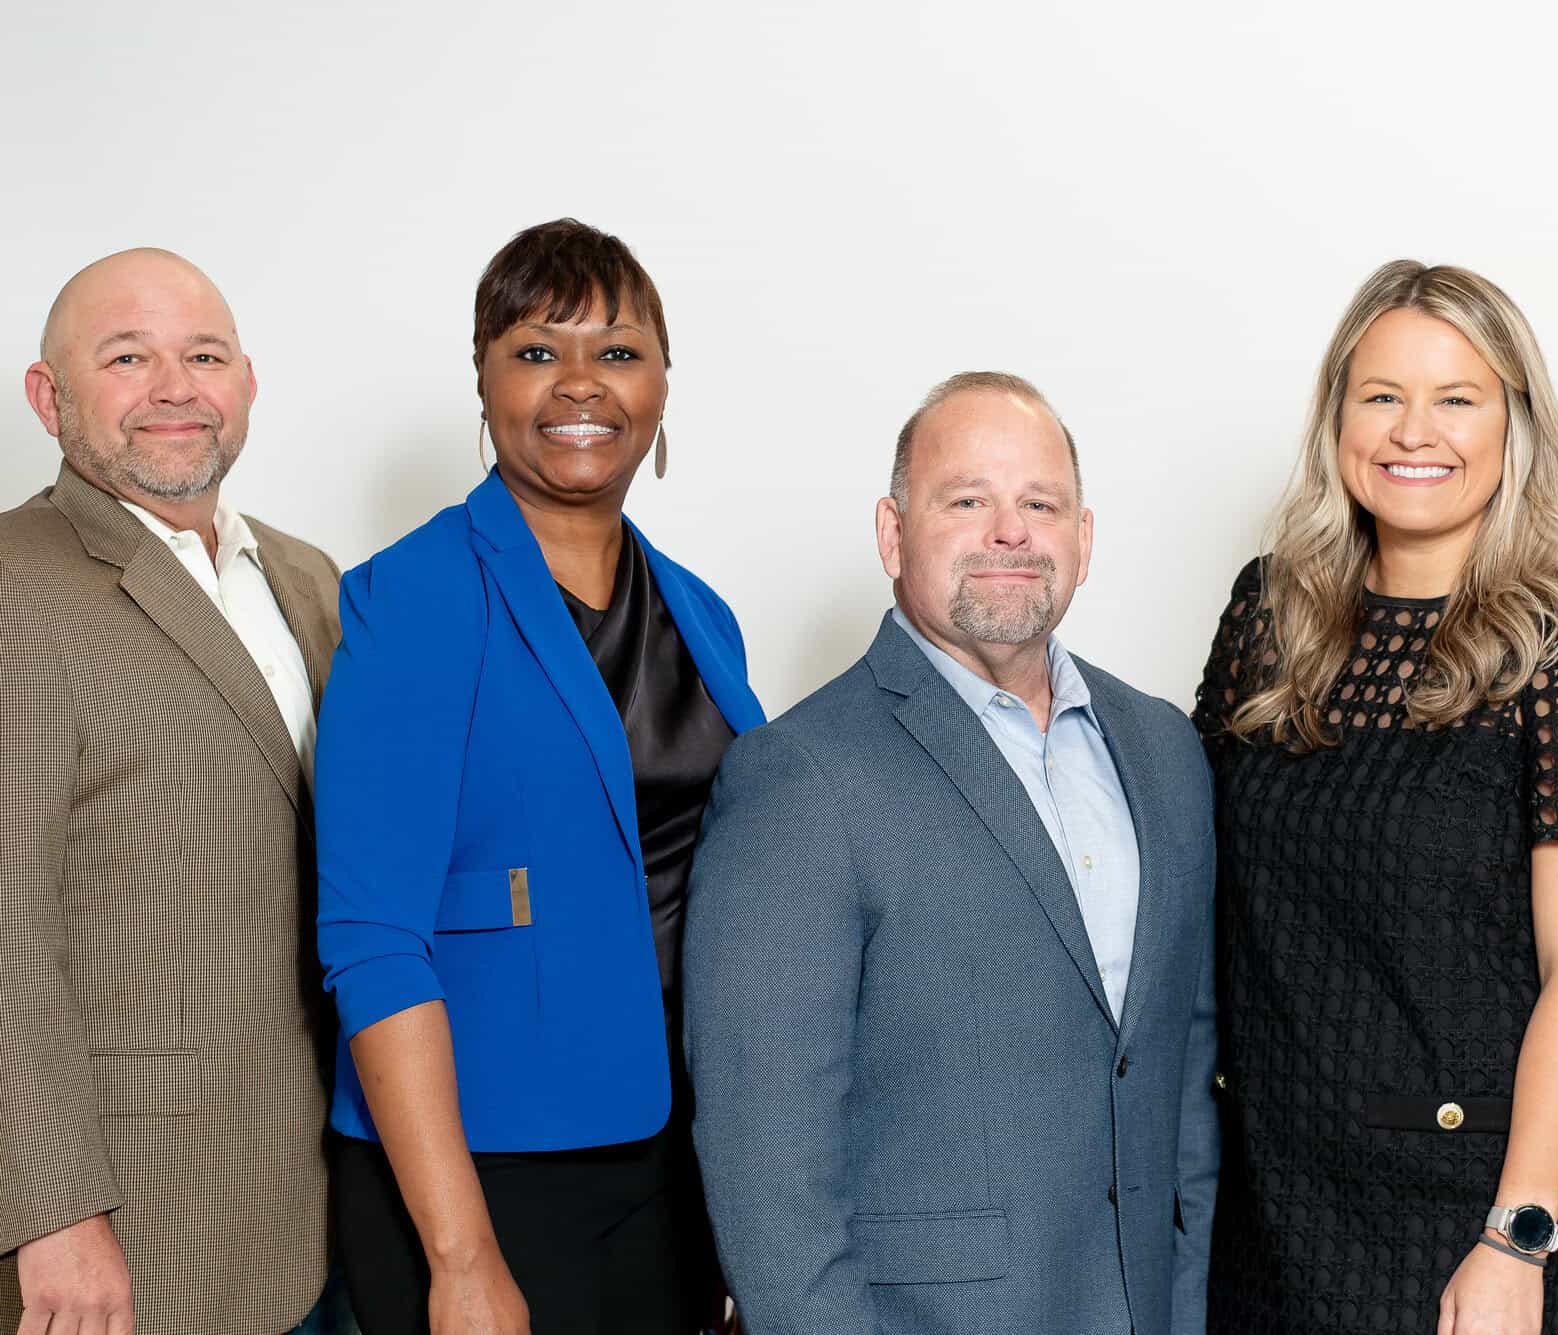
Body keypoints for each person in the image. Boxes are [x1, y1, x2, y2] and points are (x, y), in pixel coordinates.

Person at [683, 371, 1219, 1335]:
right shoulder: (799, 778)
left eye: (1039, 503)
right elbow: (769, 1170)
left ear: (1083, 540)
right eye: (967, 499)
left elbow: (1182, 1084)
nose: (1009, 532)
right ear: (893, 534)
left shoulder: (1165, 751)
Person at [1196, 260, 1558, 1334]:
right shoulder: (1267, 619)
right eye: (1381, 396)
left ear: (1512, 425)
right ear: (1337, 421)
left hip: (1463, 1216)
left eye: (1456, 398)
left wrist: (1517, 1236)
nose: (1416, 431)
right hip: (1264, 1200)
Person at [313, 218, 762, 1335]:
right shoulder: (411, 599)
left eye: (616, 352)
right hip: (484, 1169)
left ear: (662, 385)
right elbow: (373, 939)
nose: (580, 384)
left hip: (673, 1156)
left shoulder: (701, 613)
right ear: (482, 382)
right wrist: (461, 1259)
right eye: (533, 350)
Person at [0, 249, 345, 1333]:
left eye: (202, 354)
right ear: (48, 397)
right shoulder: (15, 585)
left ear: (245, 381)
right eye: (127, 357)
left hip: (332, 1202)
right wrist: (51, 1215)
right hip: (132, 1228)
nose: (174, 387)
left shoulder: (311, 579)